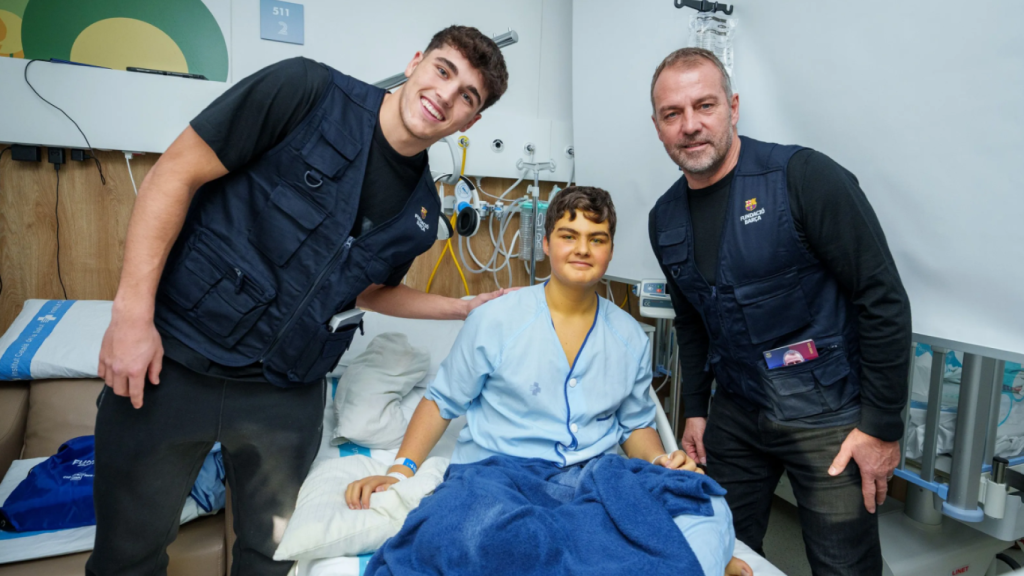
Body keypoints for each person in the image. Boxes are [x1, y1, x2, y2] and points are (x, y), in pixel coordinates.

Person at [89, 26, 511, 576]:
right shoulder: (305, 91)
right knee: (127, 556)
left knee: (271, 561)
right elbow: (176, 172)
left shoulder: (421, 214)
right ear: (415, 63)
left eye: (468, 97)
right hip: (176, 358)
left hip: (285, 394)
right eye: (444, 70)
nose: (446, 95)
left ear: (470, 122)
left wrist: (458, 309)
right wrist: (131, 316)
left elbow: (365, 288)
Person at [346, 187, 752, 576]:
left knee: (707, 502)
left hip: (595, 477)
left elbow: (635, 424)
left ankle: (699, 559)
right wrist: (401, 470)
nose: (582, 249)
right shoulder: (496, 320)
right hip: (496, 476)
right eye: (568, 235)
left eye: (597, 238)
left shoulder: (629, 336)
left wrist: (662, 461)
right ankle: (693, 564)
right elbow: (441, 401)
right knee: (462, 535)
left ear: (610, 250)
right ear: (546, 243)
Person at [647, 47, 912, 575]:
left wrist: (882, 427)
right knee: (716, 548)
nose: (691, 126)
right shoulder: (664, 218)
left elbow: (881, 297)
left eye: (705, 106)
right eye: (672, 114)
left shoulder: (803, 177)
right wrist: (697, 408)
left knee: (845, 567)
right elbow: (694, 323)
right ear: (657, 125)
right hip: (738, 412)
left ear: (734, 107)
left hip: (830, 415)